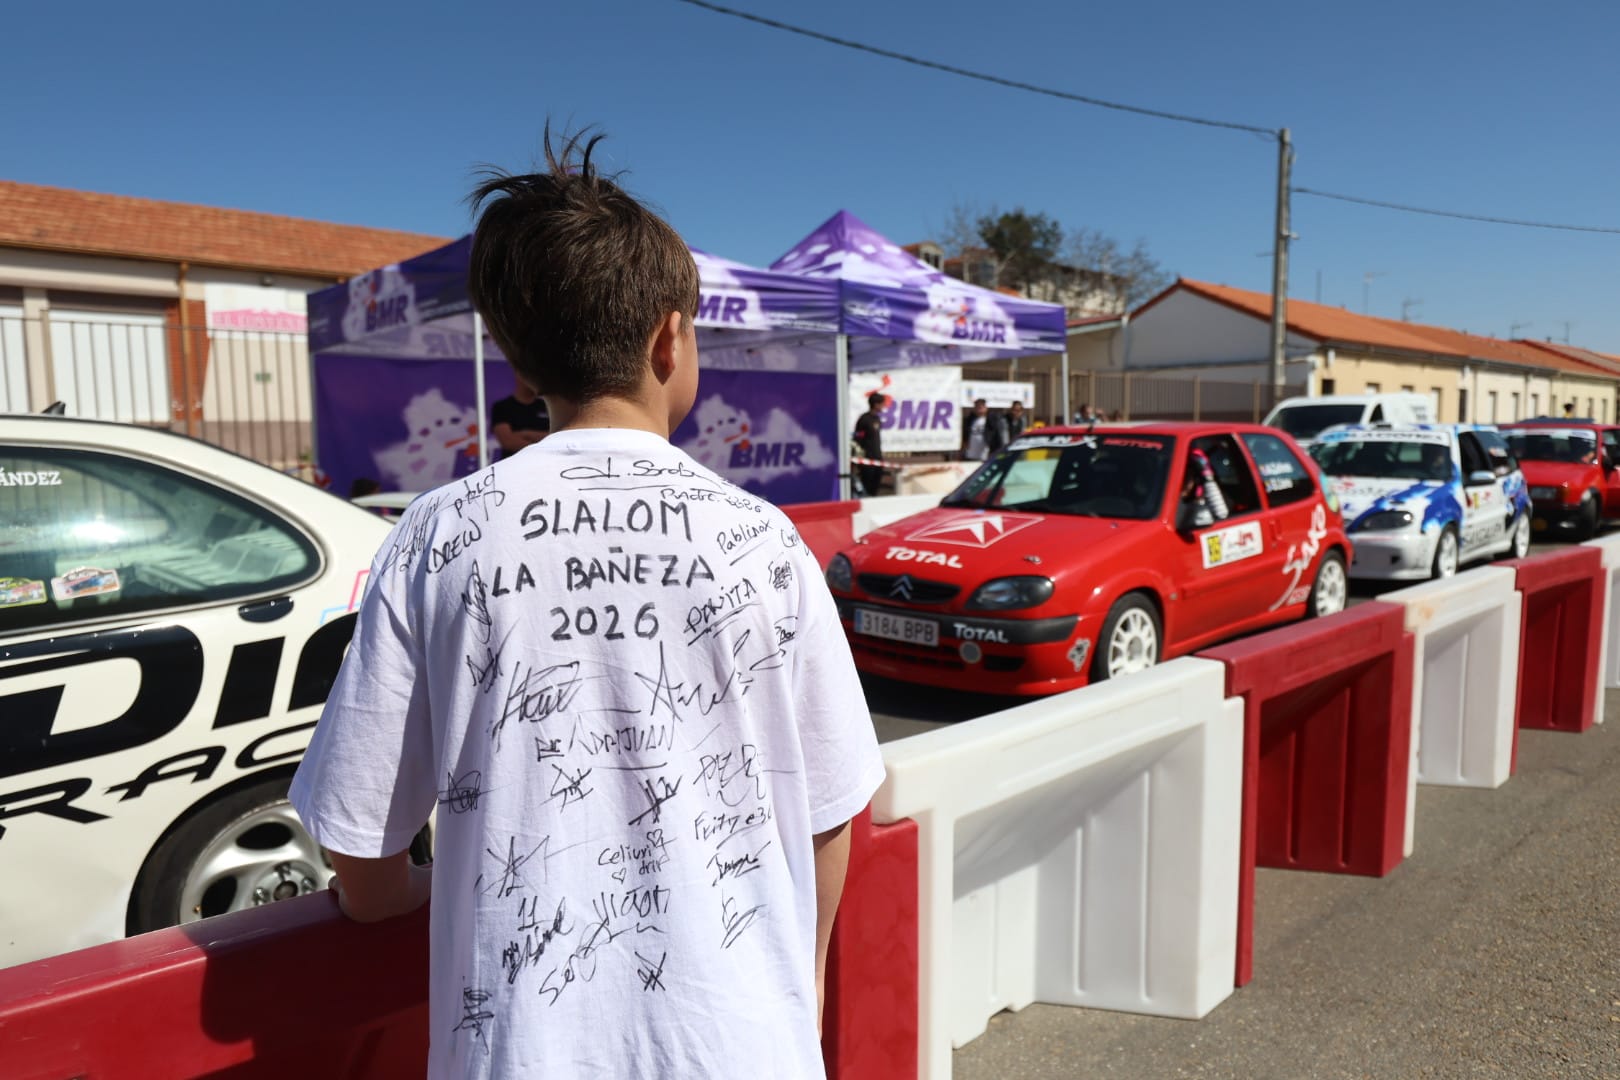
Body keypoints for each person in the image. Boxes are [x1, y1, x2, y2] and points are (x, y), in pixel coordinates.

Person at [288, 130, 884, 1080]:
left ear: (519, 368)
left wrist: (390, 903)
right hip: (741, 1045)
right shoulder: (763, 541)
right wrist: (804, 978)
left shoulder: (437, 534)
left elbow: (359, 832)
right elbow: (829, 808)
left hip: (516, 1053)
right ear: (668, 339)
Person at [490, 376, 550, 458]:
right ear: (519, 376)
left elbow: (556, 436)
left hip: (544, 462)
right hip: (513, 463)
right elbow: (508, 441)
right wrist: (542, 444)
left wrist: (525, 433)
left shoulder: (548, 407)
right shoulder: (502, 407)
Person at [853, 392, 887, 495]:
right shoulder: (864, 419)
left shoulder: (877, 419)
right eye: (882, 404)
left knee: (875, 486)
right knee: (866, 485)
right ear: (876, 404)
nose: (883, 406)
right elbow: (857, 438)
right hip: (867, 459)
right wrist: (859, 456)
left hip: (878, 458)